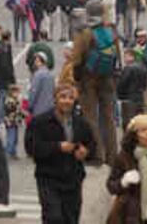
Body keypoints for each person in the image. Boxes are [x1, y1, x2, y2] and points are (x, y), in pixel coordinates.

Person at [25, 84, 96, 224]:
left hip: (73, 179)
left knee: (71, 218)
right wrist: (57, 147)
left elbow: (92, 145)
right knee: (53, 217)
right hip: (49, 178)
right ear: (55, 99)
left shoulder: (81, 123)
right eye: (63, 97)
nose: (67, 101)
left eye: (71, 98)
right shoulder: (40, 122)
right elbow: (31, 147)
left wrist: (86, 152)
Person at [69, 0, 119, 165]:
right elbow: (117, 56)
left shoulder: (84, 33)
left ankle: (98, 154)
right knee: (108, 117)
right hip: (108, 78)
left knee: (90, 117)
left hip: (88, 80)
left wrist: (76, 78)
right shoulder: (111, 30)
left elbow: (76, 60)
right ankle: (113, 154)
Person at [116, 48, 147, 133]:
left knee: (128, 123)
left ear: (131, 57)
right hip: (140, 97)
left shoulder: (128, 69)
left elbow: (122, 84)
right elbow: (145, 84)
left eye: (125, 56)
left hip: (128, 98)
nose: (124, 58)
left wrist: (119, 94)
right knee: (139, 121)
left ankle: (128, 140)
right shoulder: (143, 67)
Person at [28, 53, 55, 117]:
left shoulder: (38, 74)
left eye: (37, 61)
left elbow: (33, 92)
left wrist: (30, 106)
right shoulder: (50, 74)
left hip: (38, 110)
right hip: (50, 108)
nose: (35, 63)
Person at [3, 84, 24, 159]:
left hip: (14, 122)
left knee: (15, 139)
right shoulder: (10, 101)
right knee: (11, 139)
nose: (18, 94)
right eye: (16, 92)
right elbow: (12, 111)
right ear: (11, 92)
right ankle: (5, 152)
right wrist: (21, 112)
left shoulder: (15, 100)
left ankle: (13, 153)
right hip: (10, 122)